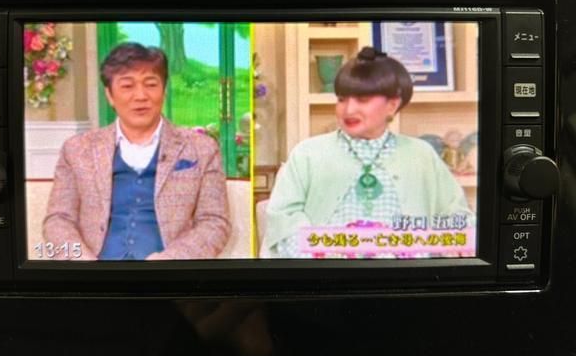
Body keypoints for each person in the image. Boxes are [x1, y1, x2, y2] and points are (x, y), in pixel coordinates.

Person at [262, 46, 473, 258]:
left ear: (392, 105)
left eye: (362, 100)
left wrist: (456, 238)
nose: (348, 110)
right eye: (342, 99)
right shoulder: (308, 154)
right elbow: (283, 221)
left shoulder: (421, 155)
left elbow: (458, 216)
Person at [43, 43, 230, 260]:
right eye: (127, 86)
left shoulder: (201, 148)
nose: (141, 96)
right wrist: (83, 263)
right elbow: (58, 220)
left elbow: (215, 222)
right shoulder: (77, 149)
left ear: (164, 91)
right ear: (109, 95)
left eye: (150, 84)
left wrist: (171, 260)